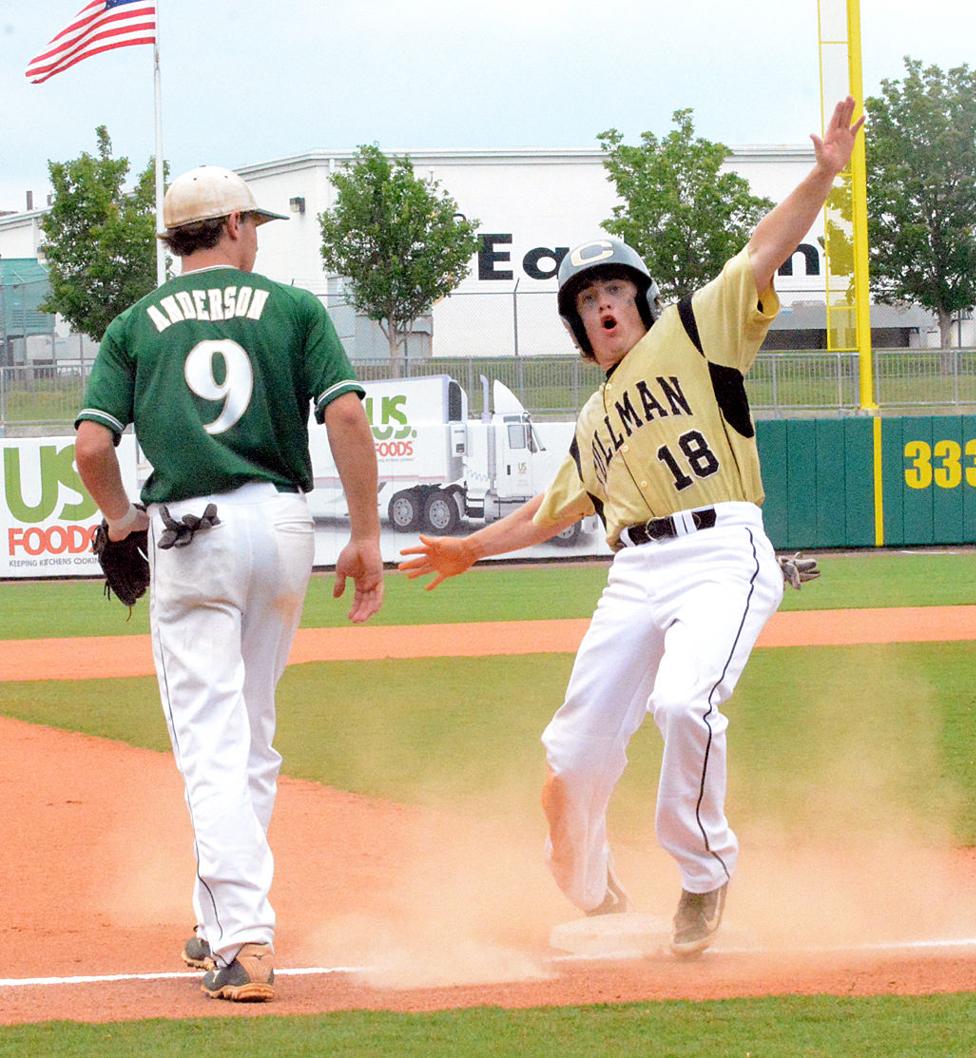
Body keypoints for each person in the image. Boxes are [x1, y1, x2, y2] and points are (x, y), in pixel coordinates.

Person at [400, 99, 863, 956]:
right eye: (587, 299)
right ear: (578, 327)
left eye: (614, 289)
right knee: (573, 755)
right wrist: (468, 546)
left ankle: (703, 875)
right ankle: (591, 887)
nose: (603, 304)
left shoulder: (696, 329)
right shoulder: (592, 420)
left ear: (640, 299)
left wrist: (824, 174)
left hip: (723, 552)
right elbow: (550, 512)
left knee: (683, 704)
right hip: (636, 572)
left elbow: (765, 247)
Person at [74, 165, 383, 1001]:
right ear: (236, 226)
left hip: (192, 529)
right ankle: (218, 921)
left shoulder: (136, 323)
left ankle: (244, 935)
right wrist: (363, 533)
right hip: (282, 526)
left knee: (209, 736)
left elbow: (95, 450)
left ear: (176, 239)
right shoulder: (293, 308)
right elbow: (347, 415)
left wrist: (119, 520)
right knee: (250, 731)